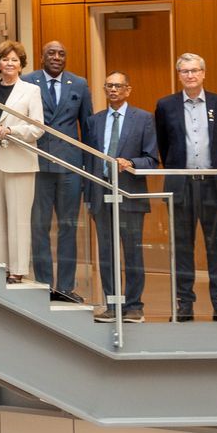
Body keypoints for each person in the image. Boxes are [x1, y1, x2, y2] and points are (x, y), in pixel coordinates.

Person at [154, 53, 217, 321]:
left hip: (214, 185)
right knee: (182, 247)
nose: (190, 75)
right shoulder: (166, 106)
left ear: (204, 73)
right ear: (178, 75)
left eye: (194, 70)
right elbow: (164, 147)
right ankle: (184, 304)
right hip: (181, 186)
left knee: (216, 246)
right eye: (184, 71)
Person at [88, 71, 159, 323]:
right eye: (109, 86)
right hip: (100, 193)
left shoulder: (143, 119)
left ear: (128, 90)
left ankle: (134, 305)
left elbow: (152, 160)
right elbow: (88, 160)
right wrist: (89, 195)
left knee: (132, 252)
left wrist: (130, 163)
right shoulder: (94, 121)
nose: (113, 90)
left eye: (118, 86)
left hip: (130, 194)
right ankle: (111, 304)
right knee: (106, 252)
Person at [29, 41, 92, 303]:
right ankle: (44, 285)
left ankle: (65, 287)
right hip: (39, 163)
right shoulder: (27, 81)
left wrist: (89, 167)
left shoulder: (79, 84)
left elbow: (87, 127)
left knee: (68, 226)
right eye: (51, 53)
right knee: (39, 227)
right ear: (42, 57)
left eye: (61, 54)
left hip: (70, 166)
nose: (56, 57)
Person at [0, 40, 45, 282]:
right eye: (5, 59)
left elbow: (38, 127)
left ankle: (17, 270)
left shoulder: (30, 91)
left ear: (21, 64)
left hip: (19, 161)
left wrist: (13, 131)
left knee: (18, 218)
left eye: (14, 59)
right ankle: (0, 265)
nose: (9, 63)